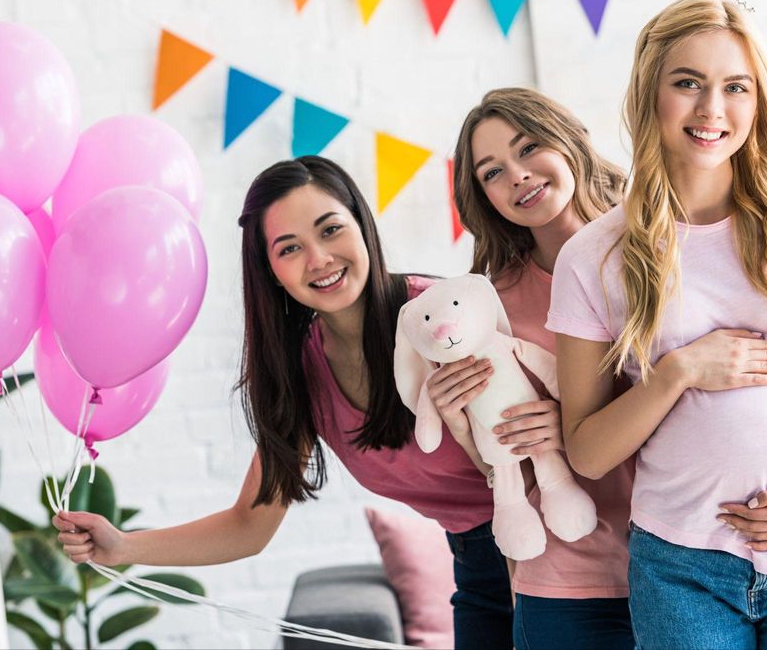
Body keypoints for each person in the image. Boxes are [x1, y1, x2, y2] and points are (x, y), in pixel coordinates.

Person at [53, 156, 515, 649]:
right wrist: (123, 547)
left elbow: (533, 453)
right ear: (271, 271)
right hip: (476, 563)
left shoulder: (443, 320)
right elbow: (249, 525)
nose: (318, 259)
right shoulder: (300, 373)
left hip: (550, 541)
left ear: (362, 224)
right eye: (290, 248)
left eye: (331, 229)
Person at [549, 0, 767, 649]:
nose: (712, 109)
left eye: (736, 87)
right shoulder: (593, 257)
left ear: (758, 100)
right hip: (684, 571)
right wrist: (679, 370)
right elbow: (588, 452)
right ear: (650, 94)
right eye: (688, 83)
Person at [435, 87, 767, 649]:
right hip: (573, 578)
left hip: (697, 566)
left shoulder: (671, 239)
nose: (517, 175)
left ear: (569, 142)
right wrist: (471, 428)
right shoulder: (490, 307)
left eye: (529, 147)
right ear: (482, 196)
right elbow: (505, 468)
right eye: (492, 172)